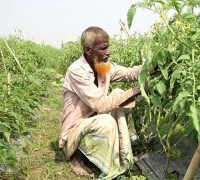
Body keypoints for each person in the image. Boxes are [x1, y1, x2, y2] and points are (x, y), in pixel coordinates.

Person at [58, 26, 147, 178]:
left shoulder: (102, 66)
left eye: (108, 47)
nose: (108, 52)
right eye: (103, 48)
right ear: (88, 50)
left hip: (93, 121)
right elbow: (101, 105)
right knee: (107, 119)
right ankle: (76, 155)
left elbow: (129, 73)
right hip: (75, 130)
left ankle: (122, 148)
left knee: (119, 94)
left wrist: (153, 65)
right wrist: (137, 90)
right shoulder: (76, 71)